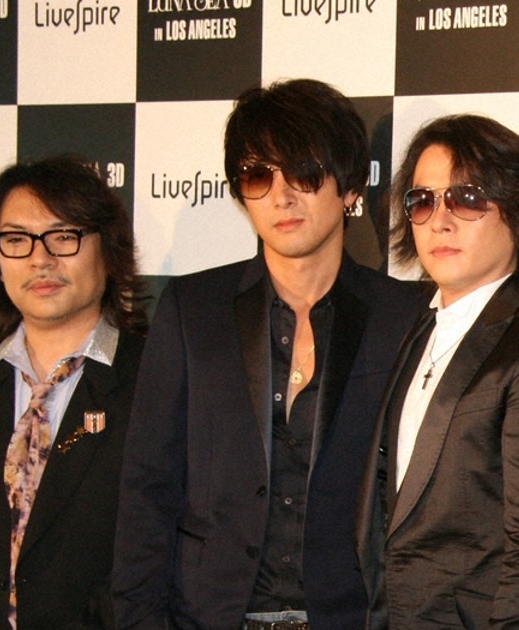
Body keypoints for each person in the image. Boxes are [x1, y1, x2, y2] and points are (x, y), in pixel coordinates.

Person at [112, 79, 424, 629]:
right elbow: (148, 491)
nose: (281, 196)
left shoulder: (405, 316)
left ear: (351, 188)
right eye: (259, 175)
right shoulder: (192, 309)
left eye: (303, 172)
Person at [356, 114, 519, 629]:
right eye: (423, 201)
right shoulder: (417, 329)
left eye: (466, 198)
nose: (440, 221)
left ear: (518, 212)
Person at [0, 155, 150, 629]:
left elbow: (159, 544)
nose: (40, 259)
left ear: (108, 250)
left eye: (63, 236)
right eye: (17, 239)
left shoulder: (155, 378)